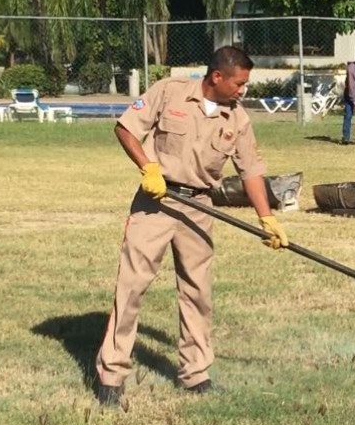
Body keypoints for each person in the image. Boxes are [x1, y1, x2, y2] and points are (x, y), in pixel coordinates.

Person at [95, 46, 289, 406]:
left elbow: (252, 170)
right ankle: (111, 374)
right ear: (217, 77)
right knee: (132, 286)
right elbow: (125, 129)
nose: (243, 90)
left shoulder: (238, 119)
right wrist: (148, 168)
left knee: (198, 293)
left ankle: (195, 374)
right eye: (240, 83)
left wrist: (267, 218)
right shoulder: (170, 91)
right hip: (156, 201)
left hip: (199, 207)